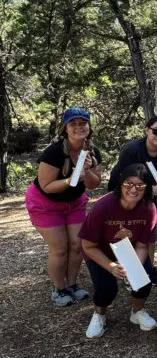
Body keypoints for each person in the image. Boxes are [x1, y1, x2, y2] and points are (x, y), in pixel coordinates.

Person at [25, 106, 102, 307]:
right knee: (59, 248)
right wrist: (72, 178)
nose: (78, 127)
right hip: (45, 204)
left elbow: (94, 184)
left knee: (77, 245)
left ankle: (72, 285)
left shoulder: (92, 152)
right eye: (73, 124)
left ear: (89, 127)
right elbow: (47, 186)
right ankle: (59, 289)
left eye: (83, 123)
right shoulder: (54, 152)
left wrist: (87, 170)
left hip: (74, 203)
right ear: (65, 128)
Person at [79, 164, 157, 339]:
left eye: (140, 185)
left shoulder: (149, 208)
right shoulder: (103, 206)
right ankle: (99, 315)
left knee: (143, 278)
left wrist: (133, 267)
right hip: (100, 251)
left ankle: (137, 312)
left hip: (129, 250)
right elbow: (88, 246)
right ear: (120, 183)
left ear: (147, 188)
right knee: (106, 288)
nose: (134, 189)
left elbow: (142, 246)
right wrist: (111, 266)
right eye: (128, 183)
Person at [108, 115, 157, 285]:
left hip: (147, 195)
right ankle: (129, 272)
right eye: (156, 131)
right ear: (146, 130)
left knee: (148, 231)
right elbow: (123, 180)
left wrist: (152, 192)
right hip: (123, 191)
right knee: (126, 231)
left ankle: (148, 269)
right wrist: (148, 189)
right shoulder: (132, 150)